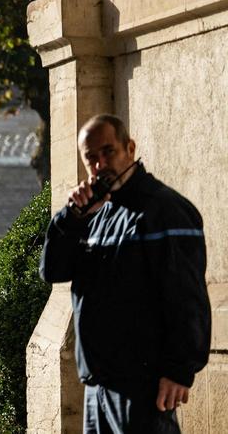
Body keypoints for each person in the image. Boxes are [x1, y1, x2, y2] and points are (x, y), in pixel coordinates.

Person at [40, 114, 210, 433]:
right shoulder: (97, 214)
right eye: (91, 157)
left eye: (109, 152)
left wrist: (179, 370)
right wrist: (70, 218)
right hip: (98, 385)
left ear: (129, 148)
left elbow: (187, 297)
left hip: (143, 387)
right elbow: (53, 271)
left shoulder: (165, 210)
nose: (100, 164)